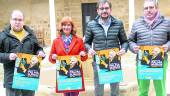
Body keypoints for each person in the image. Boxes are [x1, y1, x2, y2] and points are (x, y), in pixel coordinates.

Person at [84, 0, 128, 95]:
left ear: (110, 9)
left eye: (106, 8)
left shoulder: (118, 23)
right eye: (102, 8)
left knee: (115, 91)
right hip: (98, 61)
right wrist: (89, 49)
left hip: (114, 61)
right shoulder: (91, 25)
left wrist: (124, 49)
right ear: (97, 11)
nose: (104, 11)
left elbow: (124, 41)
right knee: (98, 90)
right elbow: (86, 43)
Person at [128, 0, 170, 95]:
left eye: (151, 7)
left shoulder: (167, 22)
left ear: (157, 8)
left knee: (160, 91)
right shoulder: (137, 24)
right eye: (146, 8)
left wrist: (167, 46)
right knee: (142, 91)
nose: (148, 10)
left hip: (160, 61)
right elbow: (130, 40)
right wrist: (133, 47)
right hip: (142, 61)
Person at [0, 10, 45, 96]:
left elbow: (38, 49)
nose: (17, 22)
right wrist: (8, 56)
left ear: (23, 21)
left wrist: (40, 53)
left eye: (20, 20)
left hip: (29, 78)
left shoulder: (30, 35)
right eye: (15, 19)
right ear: (10, 20)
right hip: (11, 80)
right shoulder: (3, 36)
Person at [49, 16, 88, 96]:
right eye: (64, 25)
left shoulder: (79, 40)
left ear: (72, 27)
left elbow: (84, 58)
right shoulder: (56, 41)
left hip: (75, 73)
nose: (66, 27)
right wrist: (53, 57)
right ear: (61, 27)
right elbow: (50, 58)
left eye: (68, 25)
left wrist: (83, 54)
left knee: (74, 94)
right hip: (63, 73)